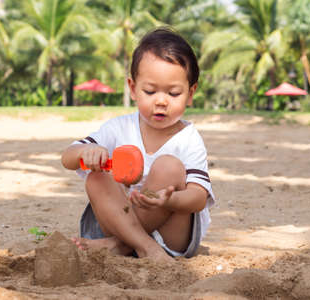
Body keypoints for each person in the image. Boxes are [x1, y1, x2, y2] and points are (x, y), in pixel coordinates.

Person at [61, 27, 215, 262]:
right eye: (150, 91)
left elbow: (198, 197)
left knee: (169, 166)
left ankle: (121, 245)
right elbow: (67, 158)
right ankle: (141, 245)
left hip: (170, 237)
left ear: (191, 93)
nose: (161, 101)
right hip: (118, 223)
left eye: (174, 93)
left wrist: (169, 199)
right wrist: (87, 152)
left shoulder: (188, 138)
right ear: (133, 88)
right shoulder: (118, 128)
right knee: (96, 177)